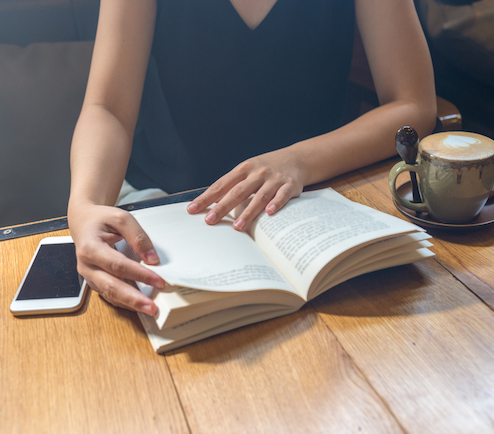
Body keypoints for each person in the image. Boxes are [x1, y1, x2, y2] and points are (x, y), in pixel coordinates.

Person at [67, 0, 437, 315]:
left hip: (311, 204)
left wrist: (299, 161)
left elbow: (414, 104)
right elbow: (109, 109)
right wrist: (85, 204)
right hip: (168, 203)